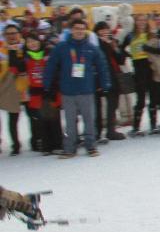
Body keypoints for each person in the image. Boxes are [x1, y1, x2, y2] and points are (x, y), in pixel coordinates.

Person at [44, 19, 111, 157]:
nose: (79, 31)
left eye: (82, 28)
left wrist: (105, 84)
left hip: (86, 90)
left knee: (89, 120)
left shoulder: (91, 48)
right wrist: (47, 84)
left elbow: (102, 66)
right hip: (68, 91)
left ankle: (91, 146)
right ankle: (70, 148)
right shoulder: (62, 47)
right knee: (70, 123)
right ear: (71, 30)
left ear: (85, 30)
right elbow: (51, 66)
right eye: (76, 28)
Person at [23, 33, 63, 155]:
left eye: (34, 41)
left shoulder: (47, 54)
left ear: (39, 41)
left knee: (54, 119)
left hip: (50, 91)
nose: (32, 44)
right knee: (41, 120)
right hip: (36, 93)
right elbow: (17, 69)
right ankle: (46, 146)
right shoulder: (25, 58)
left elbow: (55, 71)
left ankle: (57, 144)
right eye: (29, 42)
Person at [93, 21, 127, 141]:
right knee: (97, 105)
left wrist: (115, 47)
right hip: (98, 78)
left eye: (106, 29)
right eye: (101, 30)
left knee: (113, 104)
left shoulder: (112, 42)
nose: (104, 32)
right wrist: (105, 44)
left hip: (113, 77)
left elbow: (121, 60)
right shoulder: (94, 43)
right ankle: (97, 131)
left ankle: (111, 130)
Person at [0, 24, 27, 155]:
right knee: (11, 117)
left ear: (19, 34)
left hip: (25, 85)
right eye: (8, 33)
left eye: (14, 33)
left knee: (31, 115)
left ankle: (34, 141)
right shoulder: (2, 50)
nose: (12, 36)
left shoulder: (25, 46)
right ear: (5, 36)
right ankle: (13, 144)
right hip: (7, 86)